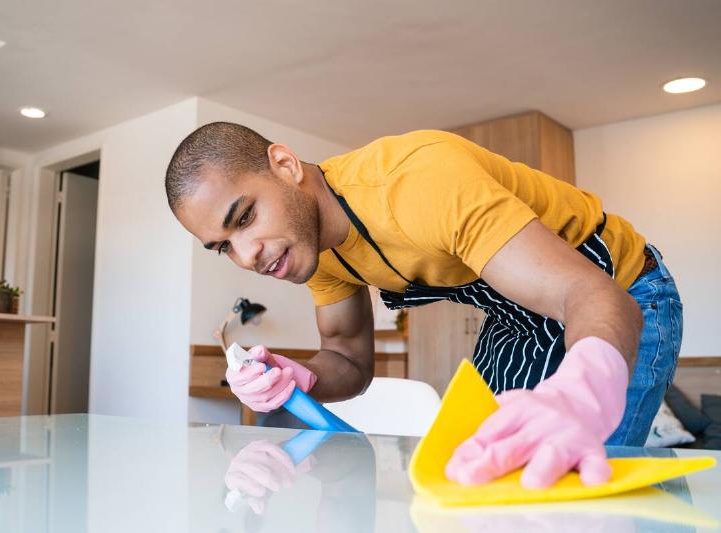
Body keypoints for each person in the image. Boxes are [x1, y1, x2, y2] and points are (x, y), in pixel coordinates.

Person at [165, 122, 682, 488]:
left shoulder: (417, 183)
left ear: (285, 165)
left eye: (246, 218)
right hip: (515, 318)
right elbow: (347, 359)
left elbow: (588, 294)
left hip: (615, 289)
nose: (247, 255)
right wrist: (297, 376)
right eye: (222, 247)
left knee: (568, 490)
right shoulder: (310, 248)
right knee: (474, 478)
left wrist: (581, 393)